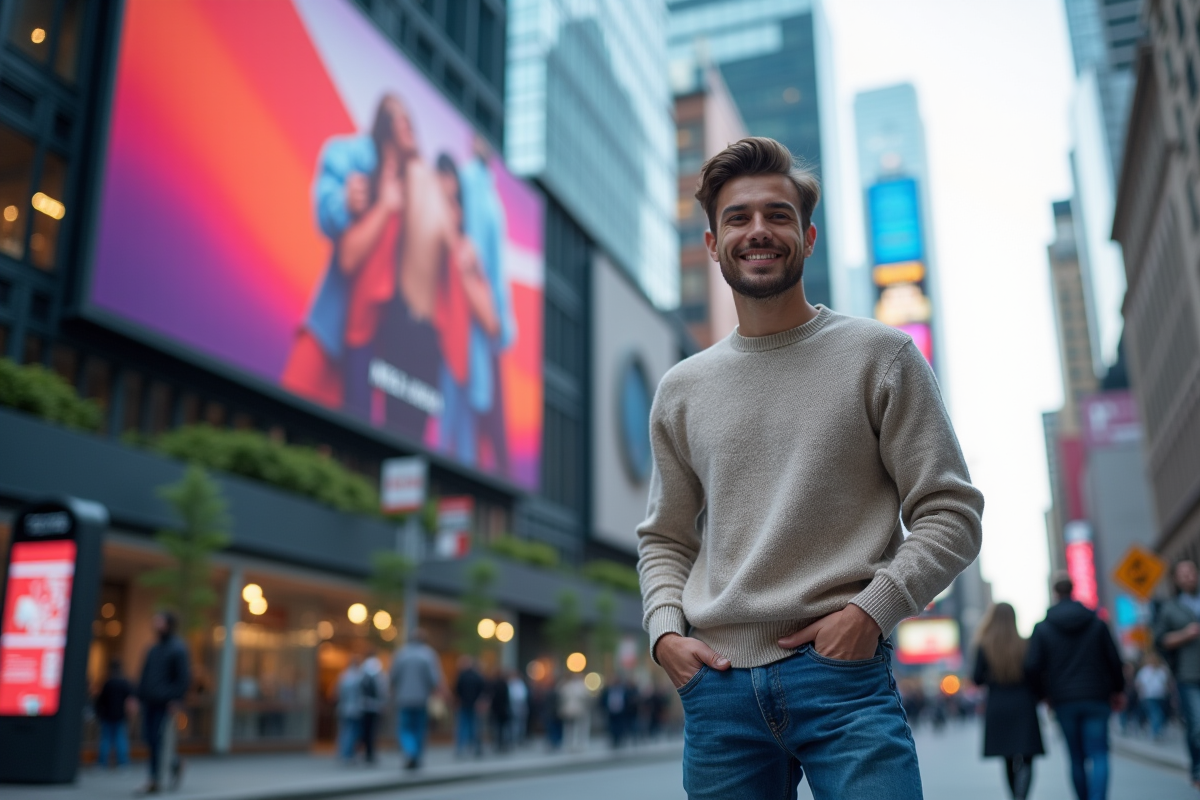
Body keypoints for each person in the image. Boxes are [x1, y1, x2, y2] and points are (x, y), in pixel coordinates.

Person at [636, 136, 984, 800]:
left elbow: (952, 514)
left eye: (777, 214)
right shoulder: (682, 389)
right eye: (737, 217)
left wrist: (871, 611)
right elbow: (666, 538)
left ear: (808, 235)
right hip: (718, 691)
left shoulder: (881, 356)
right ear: (712, 244)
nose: (757, 231)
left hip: (843, 680)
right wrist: (664, 637)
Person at [1025, 573, 1125, 800]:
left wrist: (1044, 695)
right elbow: (1114, 660)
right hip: (1097, 696)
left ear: (1055, 594)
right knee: (1099, 753)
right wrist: (1118, 690)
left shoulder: (1042, 628)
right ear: (1073, 590)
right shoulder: (1097, 623)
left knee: (1076, 756)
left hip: (1063, 700)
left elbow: (1032, 666)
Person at [972, 602, 1044, 800]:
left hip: (998, 705)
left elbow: (977, 678)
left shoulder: (984, 645)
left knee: (1007, 758)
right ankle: (1022, 797)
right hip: (1023, 704)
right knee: (1027, 756)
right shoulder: (1025, 643)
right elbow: (1035, 674)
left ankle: (1015, 797)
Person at [136, 611, 190, 795]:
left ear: (168, 624)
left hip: (165, 703)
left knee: (157, 740)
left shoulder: (178, 649)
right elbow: (144, 676)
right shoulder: (153, 649)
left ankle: (154, 780)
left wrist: (176, 699)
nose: (156, 624)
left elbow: (182, 678)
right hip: (149, 701)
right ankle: (174, 763)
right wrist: (137, 697)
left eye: (159, 621)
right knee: (149, 738)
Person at [389, 629, 445, 770]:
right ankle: (416, 756)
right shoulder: (428, 655)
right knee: (419, 729)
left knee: (405, 728)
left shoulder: (401, 654)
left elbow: (392, 676)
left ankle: (410, 752)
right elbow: (434, 679)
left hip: (404, 698)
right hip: (421, 699)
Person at [95, 658, 135, 769]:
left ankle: (102, 763)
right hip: (120, 715)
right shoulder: (124, 683)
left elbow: (100, 700)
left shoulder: (108, 683)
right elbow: (130, 700)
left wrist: (99, 713)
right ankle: (123, 763)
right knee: (120, 739)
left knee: (106, 739)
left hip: (107, 715)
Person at [333, 654, 364, 764]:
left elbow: (336, 693)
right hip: (355, 709)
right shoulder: (359, 677)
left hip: (343, 708)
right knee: (352, 731)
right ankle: (348, 753)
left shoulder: (343, 676)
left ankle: (343, 752)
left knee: (344, 730)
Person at [454, 655, 486, 757]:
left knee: (465, 726)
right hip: (471, 705)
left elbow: (457, 691)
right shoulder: (477, 676)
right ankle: (474, 748)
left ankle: (462, 748)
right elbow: (483, 691)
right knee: (473, 727)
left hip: (466, 705)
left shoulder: (462, 676)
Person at [358, 653, 387, 765]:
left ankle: (366, 753)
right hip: (374, 706)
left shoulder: (364, 669)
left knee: (366, 731)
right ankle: (369, 753)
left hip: (364, 705)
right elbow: (381, 689)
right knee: (371, 731)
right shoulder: (377, 669)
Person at [1136, 653, 1170, 740]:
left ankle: (1156, 730)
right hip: (1149, 695)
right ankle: (1155, 732)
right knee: (1156, 714)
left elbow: (1167, 683)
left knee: (1160, 714)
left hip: (1160, 695)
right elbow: (1139, 683)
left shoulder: (1162, 670)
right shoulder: (1145, 670)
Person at [558, 672, 591, 752]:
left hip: (578, 710)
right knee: (570, 728)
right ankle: (572, 744)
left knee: (577, 728)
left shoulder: (578, 686)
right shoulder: (569, 686)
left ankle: (577, 744)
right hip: (573, 711)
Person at [487, 665, 512, 752]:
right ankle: (504, 744)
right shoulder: (504, 684)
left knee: (497, 728)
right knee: (504, 728)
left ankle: (498, 744)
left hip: (496, 710)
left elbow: (491, 697)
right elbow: (507, 698)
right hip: (503, 709)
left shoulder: (493, 684)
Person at [507, 669, 530, 746]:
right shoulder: (510, 683)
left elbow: (523, 695)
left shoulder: (520, 683)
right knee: (514, 722)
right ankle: (514, 738)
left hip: (520, 704)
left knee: (521, 722)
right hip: (513, 704)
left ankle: (520, 738)